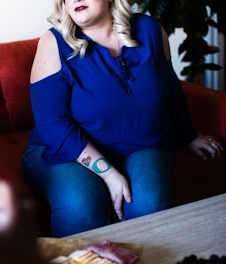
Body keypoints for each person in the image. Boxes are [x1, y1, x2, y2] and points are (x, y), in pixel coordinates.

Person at [22, 0, 224, 237]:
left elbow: (171, 90)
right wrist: (108, 173)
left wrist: (189, 135)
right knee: (81, 205)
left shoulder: (150, 30)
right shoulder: (54, 43)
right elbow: (51, 124)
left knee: (148, 204)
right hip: (66, 150)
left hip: (142, 142)